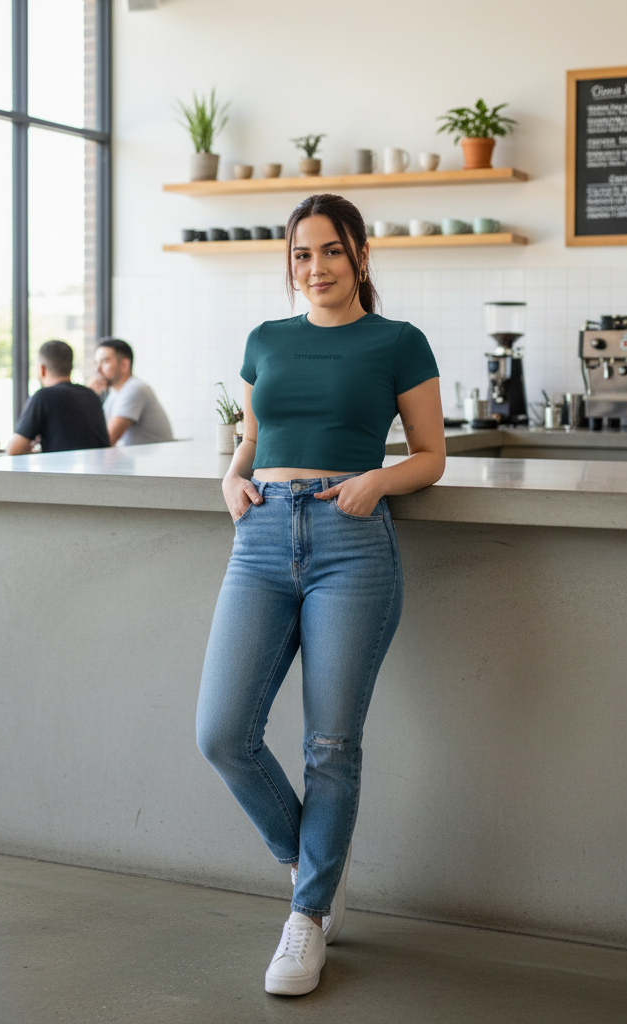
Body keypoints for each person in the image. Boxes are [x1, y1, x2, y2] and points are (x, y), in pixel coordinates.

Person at [196, 193, 446, 996]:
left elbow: (432, 455)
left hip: (350, 540)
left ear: (361, 257)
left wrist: (377, 479)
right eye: (302, 255)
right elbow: (250, 442)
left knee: (330, 745)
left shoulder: (398, 342)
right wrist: (231, 482)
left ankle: (306, 919)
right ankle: (312, 864)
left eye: (331, 252)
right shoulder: (266, 340)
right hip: (262, 538)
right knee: (222, 732)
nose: (316, 268)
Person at [6, 339, 110, 455]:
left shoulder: (43, 396)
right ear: (70, 367)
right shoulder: (91, 396)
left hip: (61, 471)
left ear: (42, 369)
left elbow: (13, 451)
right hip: (97, 471)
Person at [90, 337, 174, 446]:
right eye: (96, 363)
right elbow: (97, 433)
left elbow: (106, 440)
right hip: (138, 461)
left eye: (105, 361)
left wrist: (89, 396)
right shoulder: (115, 394)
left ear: (124, 365)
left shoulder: (134, 389)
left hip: (153, 462)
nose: (98, 369)